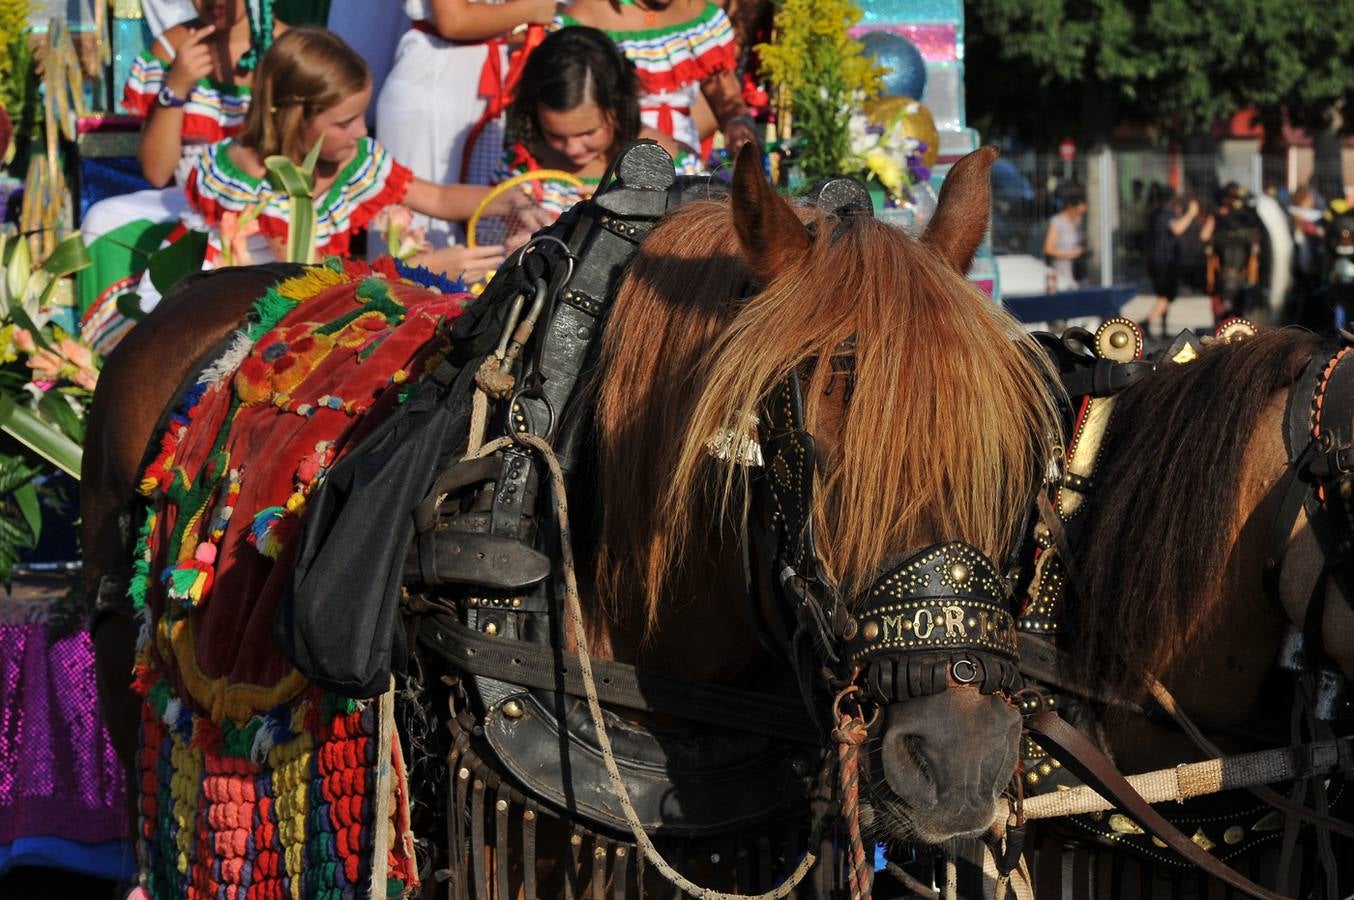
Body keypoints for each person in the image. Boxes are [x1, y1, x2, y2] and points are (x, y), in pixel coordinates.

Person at [162, 27, 520, 304]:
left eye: (362, 115)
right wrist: (418, 272)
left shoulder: (353, 160)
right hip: (239, 315)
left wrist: (516, 201)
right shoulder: (257, 184)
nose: (361, 131)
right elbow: (310, 285)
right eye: (344, 122)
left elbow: (439, 198)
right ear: (293, 117)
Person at [78, 0, 282, 352]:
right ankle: (108, 366)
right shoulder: (170, 47)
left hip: (264, 204)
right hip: (190, 199)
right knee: (100, 218)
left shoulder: (289, 49)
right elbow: (157, 173)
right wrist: (176, 87)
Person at [375, 0, 558, 251]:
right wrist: (532, 9)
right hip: (437, 79)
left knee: (480, 238)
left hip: (490, 80)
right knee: (417, 237)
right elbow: (453, 20)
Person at [496, 25, 703, 222]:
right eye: (555, 135)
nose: (573, 149)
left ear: (618, 107)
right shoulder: (524, 164)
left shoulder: (670, 168)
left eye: (587, 133)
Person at [556, 0, 757, 155]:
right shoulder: (583, 17)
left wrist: (736, 123)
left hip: (684, 162)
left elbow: (725, 93)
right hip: (613, 162)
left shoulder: (700, 15)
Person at [1140, 186, 1200, 339]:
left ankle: (1163, 327)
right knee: (1167, 296)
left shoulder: (1153, 213)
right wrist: (1190, 214)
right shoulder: (1165, 214)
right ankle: (1146, 322)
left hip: (1156, 260)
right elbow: (1177, 229)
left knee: (1163, 295)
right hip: (1166, 261)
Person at [1204, 183, 1262, 324]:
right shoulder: (1223, 216)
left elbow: (1204, 236)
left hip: (1236, 274)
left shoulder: (1246, 218)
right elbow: (1205, 236)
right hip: (1228, 274)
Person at [1042, 186, 1087, 291]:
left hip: (1078, 274)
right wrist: (1072, 254)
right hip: (1062, 274)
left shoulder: (1078, 222)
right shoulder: (1057, 222)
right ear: (1070, 207)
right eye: (1078, 212)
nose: (1079, 216)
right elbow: (1048, 249)